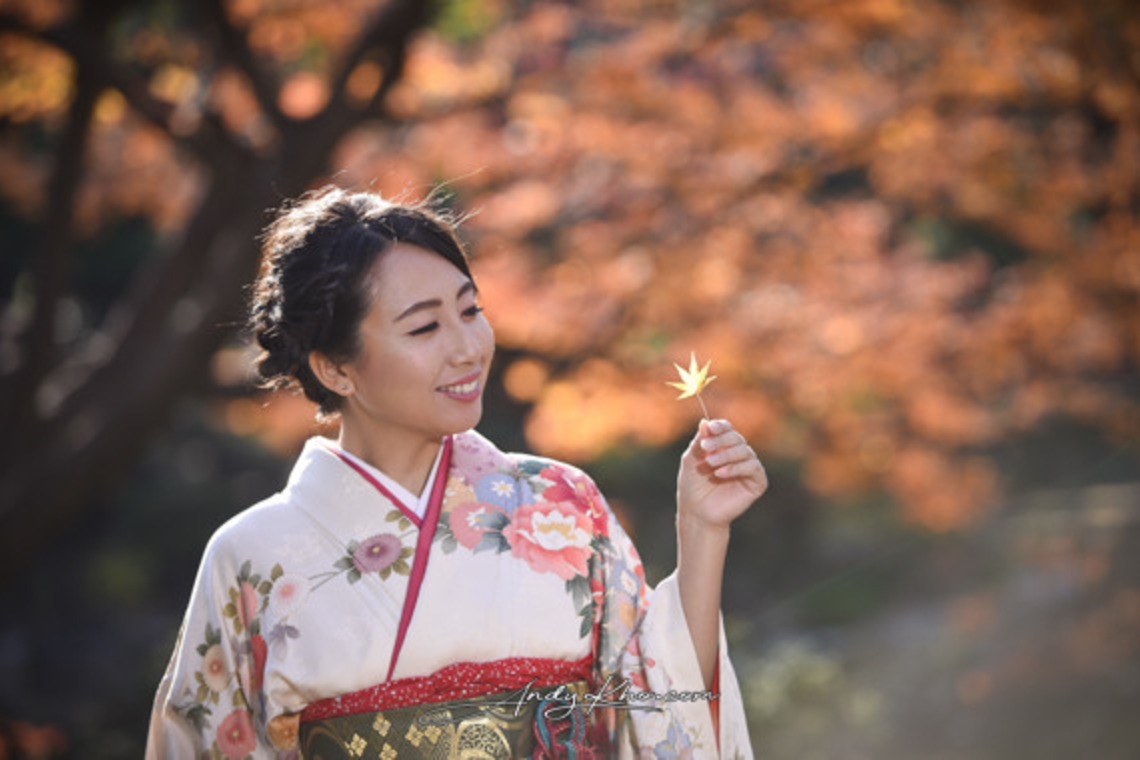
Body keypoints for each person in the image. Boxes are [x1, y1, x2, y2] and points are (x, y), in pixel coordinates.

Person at [146, 186, 766, 759]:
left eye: (471, 312)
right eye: (425, 327)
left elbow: (658, 700)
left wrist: (702, 530)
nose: (468, 347)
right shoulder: (251, 558)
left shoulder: (561, 505)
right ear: (337, 369)